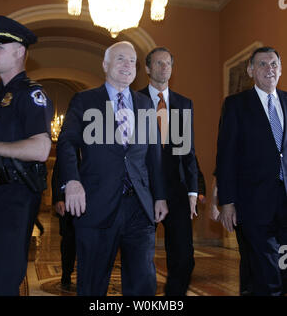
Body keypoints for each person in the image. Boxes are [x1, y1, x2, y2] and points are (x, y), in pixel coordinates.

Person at [57, 41, 168, 296]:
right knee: (93, 284)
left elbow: (154, 154)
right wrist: (71, 182)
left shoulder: (145, 104)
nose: (128, 65)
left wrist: (159, 195)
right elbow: (67, 142)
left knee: (143, 283)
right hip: (96, 205)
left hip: (139, 207)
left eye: (132, 61)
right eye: (120, 59)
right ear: (105, 65)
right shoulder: (85, 100)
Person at [0, 15, 53, 295]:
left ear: (20, 52)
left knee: (1, 282)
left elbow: (41, 149)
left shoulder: (31, 94)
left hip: (13, 201)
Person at [216, 46, 287, 295]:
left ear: (280, 69)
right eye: (263, 64)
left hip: (284, 200)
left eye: (274, 64)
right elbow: (226, 156)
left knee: (279, 266)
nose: (270, 69)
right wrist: (226, 202)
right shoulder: (236, 105)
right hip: (253, 202)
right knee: (267, 270)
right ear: (250, 70)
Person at [139, 46, 198, 296]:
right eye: (159, 63)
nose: (164, 68)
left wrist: (194, 191)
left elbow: (189, 151)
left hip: (177, 189)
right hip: (142, 187)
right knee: (139, 256)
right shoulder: (134, 101)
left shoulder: (184, 103)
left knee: (184, 257)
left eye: (168, 64)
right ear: (147, 68)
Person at [210, 175, 252, 296]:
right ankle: (247, 290)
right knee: (247, 254)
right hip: (243, 207)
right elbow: (220, 174)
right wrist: (214, 205)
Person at [51, 159, 76, 291]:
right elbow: (57, 175)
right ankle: (66, 275)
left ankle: (86, 276)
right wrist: (58, 199)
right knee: (68, 241)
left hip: (91, 203)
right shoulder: (68, 143)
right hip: (67, 204)